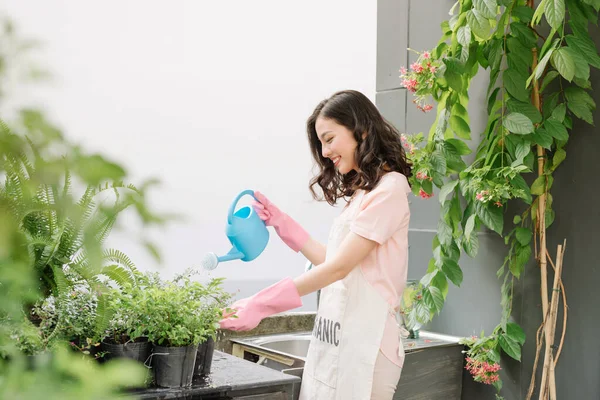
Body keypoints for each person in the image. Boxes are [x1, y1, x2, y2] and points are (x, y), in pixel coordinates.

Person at [219, 90, 412, 400]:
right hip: (337, 339)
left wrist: (261, 304)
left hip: (368, 346)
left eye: (329, 138)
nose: (324, 152)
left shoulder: (389, 190)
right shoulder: (363, 194)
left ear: (361, 131)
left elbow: (338, 268)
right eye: (321, 142)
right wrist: (283, 224)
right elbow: (335, 261)